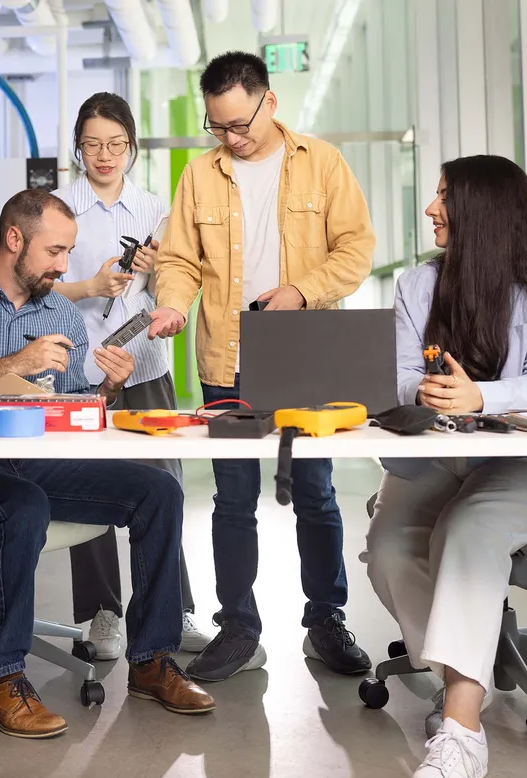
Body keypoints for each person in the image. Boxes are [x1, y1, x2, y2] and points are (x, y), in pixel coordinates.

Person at [0, 189, 215, 740]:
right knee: (23, 505)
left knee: (159, 491)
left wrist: (108, 388)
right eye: (54, 252)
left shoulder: (62, 315)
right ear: (14, 239)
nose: (63, 266)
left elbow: (75, 411)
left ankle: (150, 660)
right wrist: (14, 364)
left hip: (37, 464)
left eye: (67, 252)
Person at [363, 155, 527, 778]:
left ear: (482, 212)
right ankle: (460, 673)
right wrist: (430, 387)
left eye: (442, 196)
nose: (430, 208)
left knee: (467, 530)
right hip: (442, 458)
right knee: (387, 551)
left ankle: (462, 729)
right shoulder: (419, 285)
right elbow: (393, 378)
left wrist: (480, 396)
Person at [148, 51, 376, 682]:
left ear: (269, 101)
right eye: (218, 128)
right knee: (232, 500)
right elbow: (178, 260)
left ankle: (326, 620)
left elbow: (356, 248)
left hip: (306, 352)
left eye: (240, 125)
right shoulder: (199, 175)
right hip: (226, 359)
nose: (232, 139)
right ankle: (239, 626)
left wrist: (302, 290)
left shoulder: (322, 163)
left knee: (317, 494)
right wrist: (171, 304)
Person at [53, 91, 212, 661]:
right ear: (78, 147)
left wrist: (156, 270)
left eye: (116, 144)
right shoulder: (57, 208)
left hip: (144, 366)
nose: (104, 155)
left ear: (132, 147)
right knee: (87, 489)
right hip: (81, 369)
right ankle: (102, 614)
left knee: (164, 489)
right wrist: (90, 287)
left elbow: (178, 282)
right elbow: (36, 288)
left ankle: (173, 607)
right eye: (93, 144)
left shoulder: (153, 210)